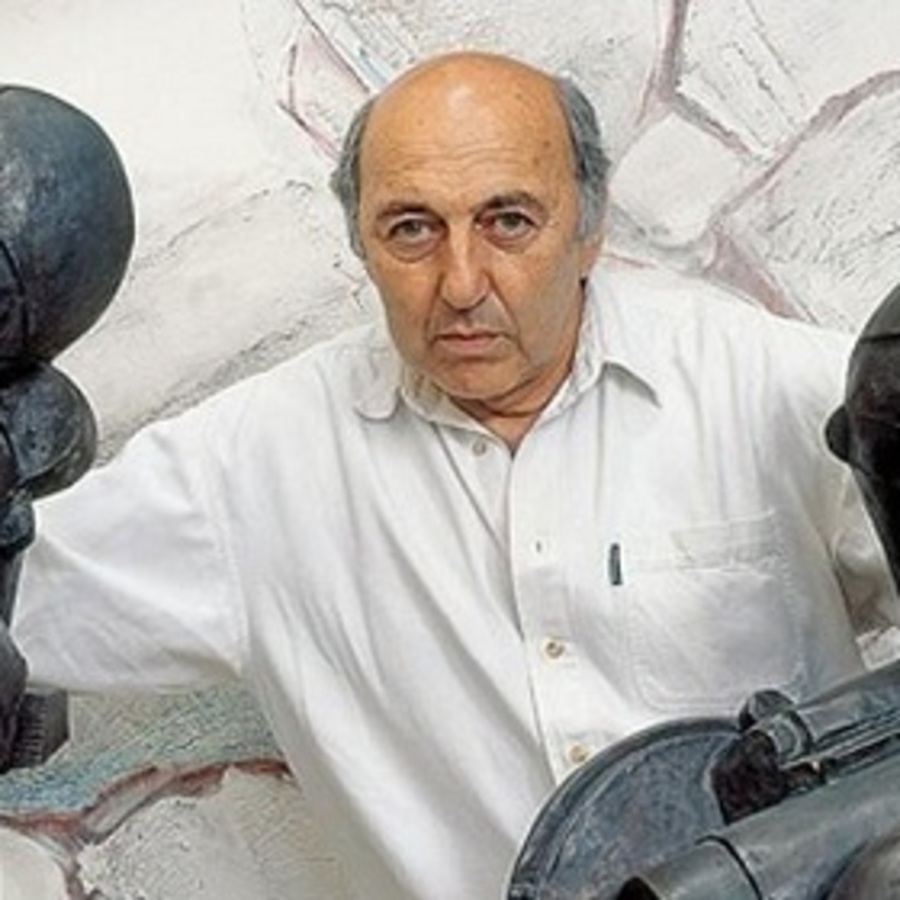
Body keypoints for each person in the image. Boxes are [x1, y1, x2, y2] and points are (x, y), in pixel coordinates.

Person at [8, 51, 896, 900]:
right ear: (360, 243)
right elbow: (23, 598)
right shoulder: (251, 467)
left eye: (508, 221)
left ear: (588, 228)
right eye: (412, 229)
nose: (462, 282)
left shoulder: (768, 387)